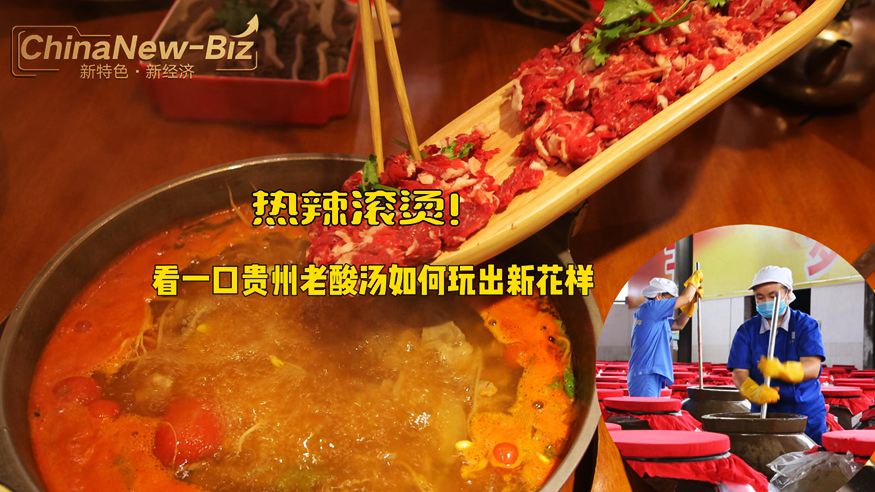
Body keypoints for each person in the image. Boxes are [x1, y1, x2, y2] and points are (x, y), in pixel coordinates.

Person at [728, 265, 827, 444]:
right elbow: (739, 372)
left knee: (810, 456)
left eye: (773, 296)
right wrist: (753, 391)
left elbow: (813, 366)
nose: (766, 301)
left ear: (788, 293)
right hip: (765, 411)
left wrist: (784, 370)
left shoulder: (806, 325)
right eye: (760, 297)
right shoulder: (746, 331)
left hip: (805, 411)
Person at [628, 272, 702, 397]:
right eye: (671, 298)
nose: (673, 302)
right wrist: (694, 281)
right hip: (646, 374)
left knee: (651, 408)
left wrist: (690, 308)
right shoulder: (651, 308)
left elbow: (678, 324)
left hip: (649, 373)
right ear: (658, 296)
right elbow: (686, 298)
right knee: (647, 409)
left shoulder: (655, 317)